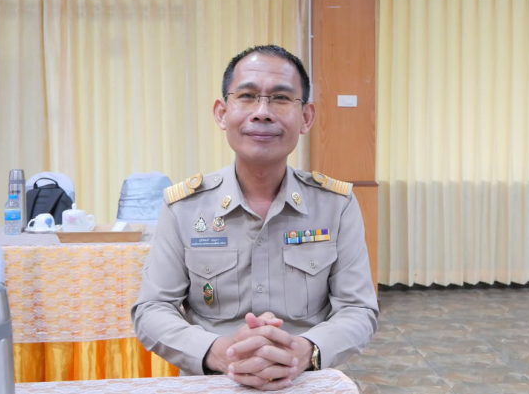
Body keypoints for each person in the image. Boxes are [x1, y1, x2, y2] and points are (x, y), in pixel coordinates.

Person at [131, 45, 379, 390]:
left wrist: (305, 351)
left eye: (281, 98)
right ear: (222, 113)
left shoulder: (336, 205)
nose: (262, 113)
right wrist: (218, 352)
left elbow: (359, 309)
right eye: (247, 96)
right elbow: (153, 308)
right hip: (214, 380)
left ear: (306, 117)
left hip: (305, 379)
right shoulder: (184, 207)